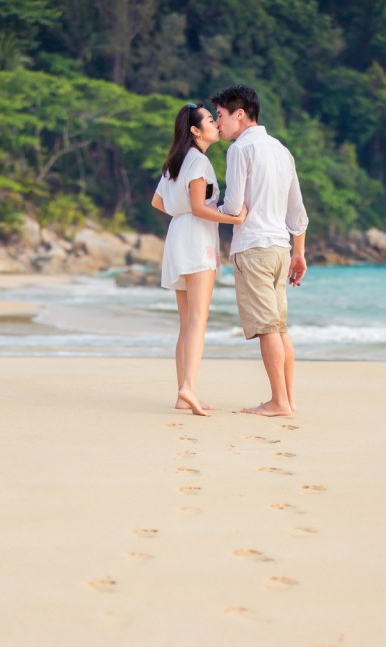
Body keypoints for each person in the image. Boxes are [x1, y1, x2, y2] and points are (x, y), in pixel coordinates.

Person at [212, 85, 308, 417]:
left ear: (240, 114)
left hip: (253, 247)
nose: (217, 122)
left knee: (268, 327)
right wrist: (300, 253)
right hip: (281, 248)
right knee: (279, 327)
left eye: (221, 115)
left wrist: (205, 205)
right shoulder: (281, 150)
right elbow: (297, 211)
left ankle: (279, 402)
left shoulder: (240, 150)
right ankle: (288, 399)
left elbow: (234, 205)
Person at [152, 103, 246, 417]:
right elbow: (198, 208)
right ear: (195, 130)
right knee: (198, 319)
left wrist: (181, 214)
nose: (215, 124)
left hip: (178, 235)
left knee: (187, 321)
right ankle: (188, 388)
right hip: (195, 237)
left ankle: (183, 391)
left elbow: (157, 201)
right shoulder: (198, 161)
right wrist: (236, 219)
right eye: (209, 120)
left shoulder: (176, 161)